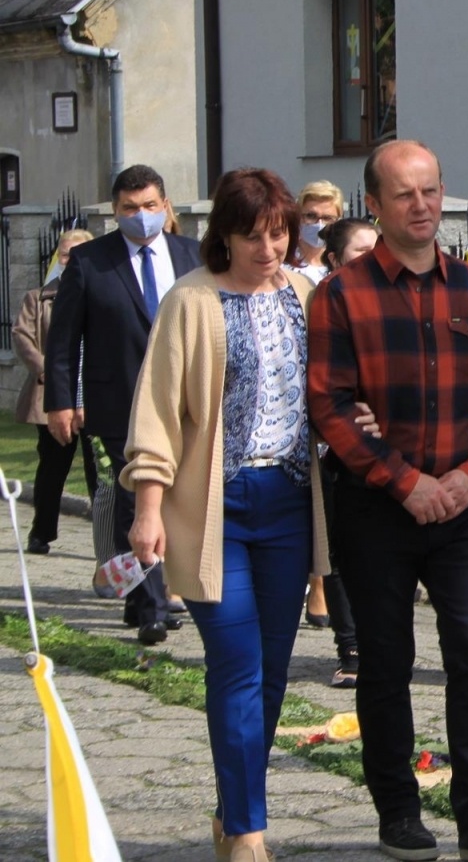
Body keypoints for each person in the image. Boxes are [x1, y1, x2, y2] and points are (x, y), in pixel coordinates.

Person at [307, 140, 468, 862]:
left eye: (431, 191)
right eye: (405, 194)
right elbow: (330, 407)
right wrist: (406, 482)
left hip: (463, 507)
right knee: (386, 659)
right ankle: (399, 813)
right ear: (373, 203)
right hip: (377, 509)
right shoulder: (341, 296)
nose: (422, 206)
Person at [122, 168, 331, 862]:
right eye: (253, 237)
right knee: (237, 663)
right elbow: (157, 409)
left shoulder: (305, 295)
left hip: (291, 503)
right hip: (213, 507)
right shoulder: (192, 300)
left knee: (272, 669)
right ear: (224, 236)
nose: (269, 248)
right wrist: (147, 507)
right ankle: (247, 833)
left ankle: (233, 806)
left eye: (279, 234)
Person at [45, 164, 202, 645]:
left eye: (150, 207)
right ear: (116, 212)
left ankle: (142, 595)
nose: (141, 216)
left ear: (165, 206)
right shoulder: (91, 262)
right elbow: (64, 340)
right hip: (120, 401)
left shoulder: (191, 255)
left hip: (184, 402)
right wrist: (60, 402)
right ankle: (154, 606)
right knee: (138, 496)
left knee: (176, 499)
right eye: (130, 209)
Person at [311, 217, 380, 689]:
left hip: (391, 444)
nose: (374, 258)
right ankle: (351, 646)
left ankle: (380, 643)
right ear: (334, 261)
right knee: (340, 551)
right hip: (336, 447)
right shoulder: (324, 301)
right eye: (361, 251)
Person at [15, 229, 98, 555]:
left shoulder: (103, 295)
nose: (71, 260)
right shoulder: (40, 297)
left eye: (79, 253)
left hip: (95, 398)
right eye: (66, 254)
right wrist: (47, 369)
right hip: (53, 397)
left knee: (100, 472)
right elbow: (22, 336)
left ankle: (104, 537)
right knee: (52, 469)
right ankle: (42, 532)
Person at [289, 179, 344, 285]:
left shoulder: (341, 264)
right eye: (311, 216)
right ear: (298, 217)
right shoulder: (283, 263)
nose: (319, 223)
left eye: (327, 218)